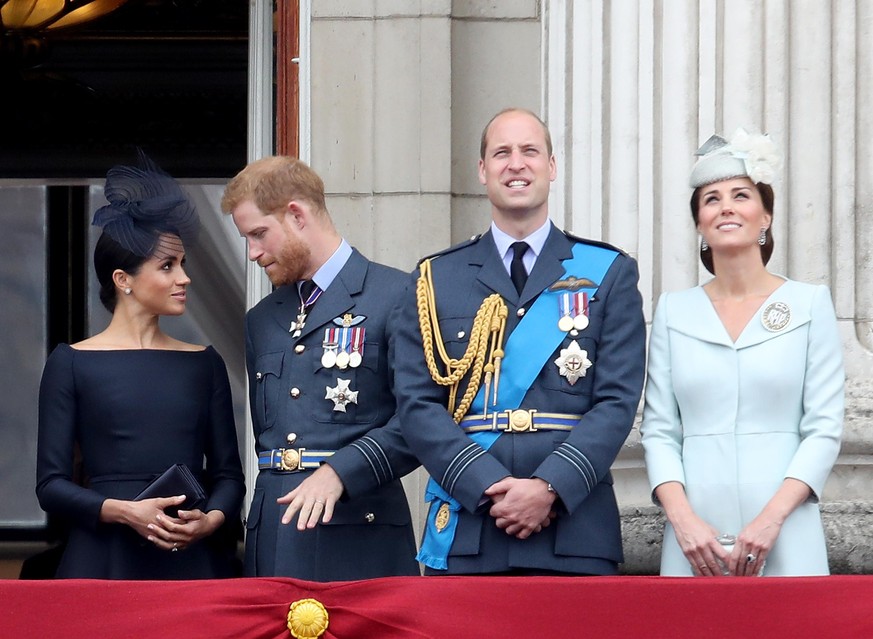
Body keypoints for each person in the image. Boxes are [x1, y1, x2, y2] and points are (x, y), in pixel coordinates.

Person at [394, 108, 646, 575]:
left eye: (530, 151)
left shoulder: (607, 272)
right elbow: (416, 404)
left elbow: (616, 401)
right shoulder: (435, 278)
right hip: (473, 525)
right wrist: (489, 485)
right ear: (482, 170)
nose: (516, 164)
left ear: (551, 167)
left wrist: (550, 486)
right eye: (501, 153)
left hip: (574, 528)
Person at [640, 129, 844, 576]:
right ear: (699, 224)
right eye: (711, 199)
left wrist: (771, 521)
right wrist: (684, 522)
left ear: (765, 216)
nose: (725, 206)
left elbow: (824, 428)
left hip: (785, 526)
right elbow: (659, 431)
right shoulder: (674, 311)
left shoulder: (808, 304)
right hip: (696, 534)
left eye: (740, 195)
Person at [36, 153, 245, 579]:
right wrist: (124, 511)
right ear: (123, 279)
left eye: (182, 263)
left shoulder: (204, 364)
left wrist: (211, 520)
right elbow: (50, 487)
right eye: (167, 265)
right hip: (102, 560)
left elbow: (229, 477)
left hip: (190, 559)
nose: (183, 277)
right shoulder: (70, 363)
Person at [221, 156, 420, 580]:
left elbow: (422, 420)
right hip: (274, 536)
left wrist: (341, 471)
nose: (253, 253)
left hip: (360, 533)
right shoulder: (262, 318)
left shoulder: (398, 294)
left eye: (259, 234)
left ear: (296, 214)